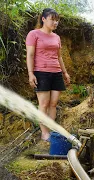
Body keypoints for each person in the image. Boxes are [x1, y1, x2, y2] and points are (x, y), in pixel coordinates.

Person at [26, 8, 70, 141]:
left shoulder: (57, 37)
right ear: (43, 19)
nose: (55, 23)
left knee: (53, 104)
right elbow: (30, 55)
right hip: (41, 73)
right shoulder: (34, 34)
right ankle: (44, 133)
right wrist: (31, 73)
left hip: (56, 72)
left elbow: (59, 57)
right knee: (43, 104)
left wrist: (65, 72)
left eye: (57, 20)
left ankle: (51, 131)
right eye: (52, 19)